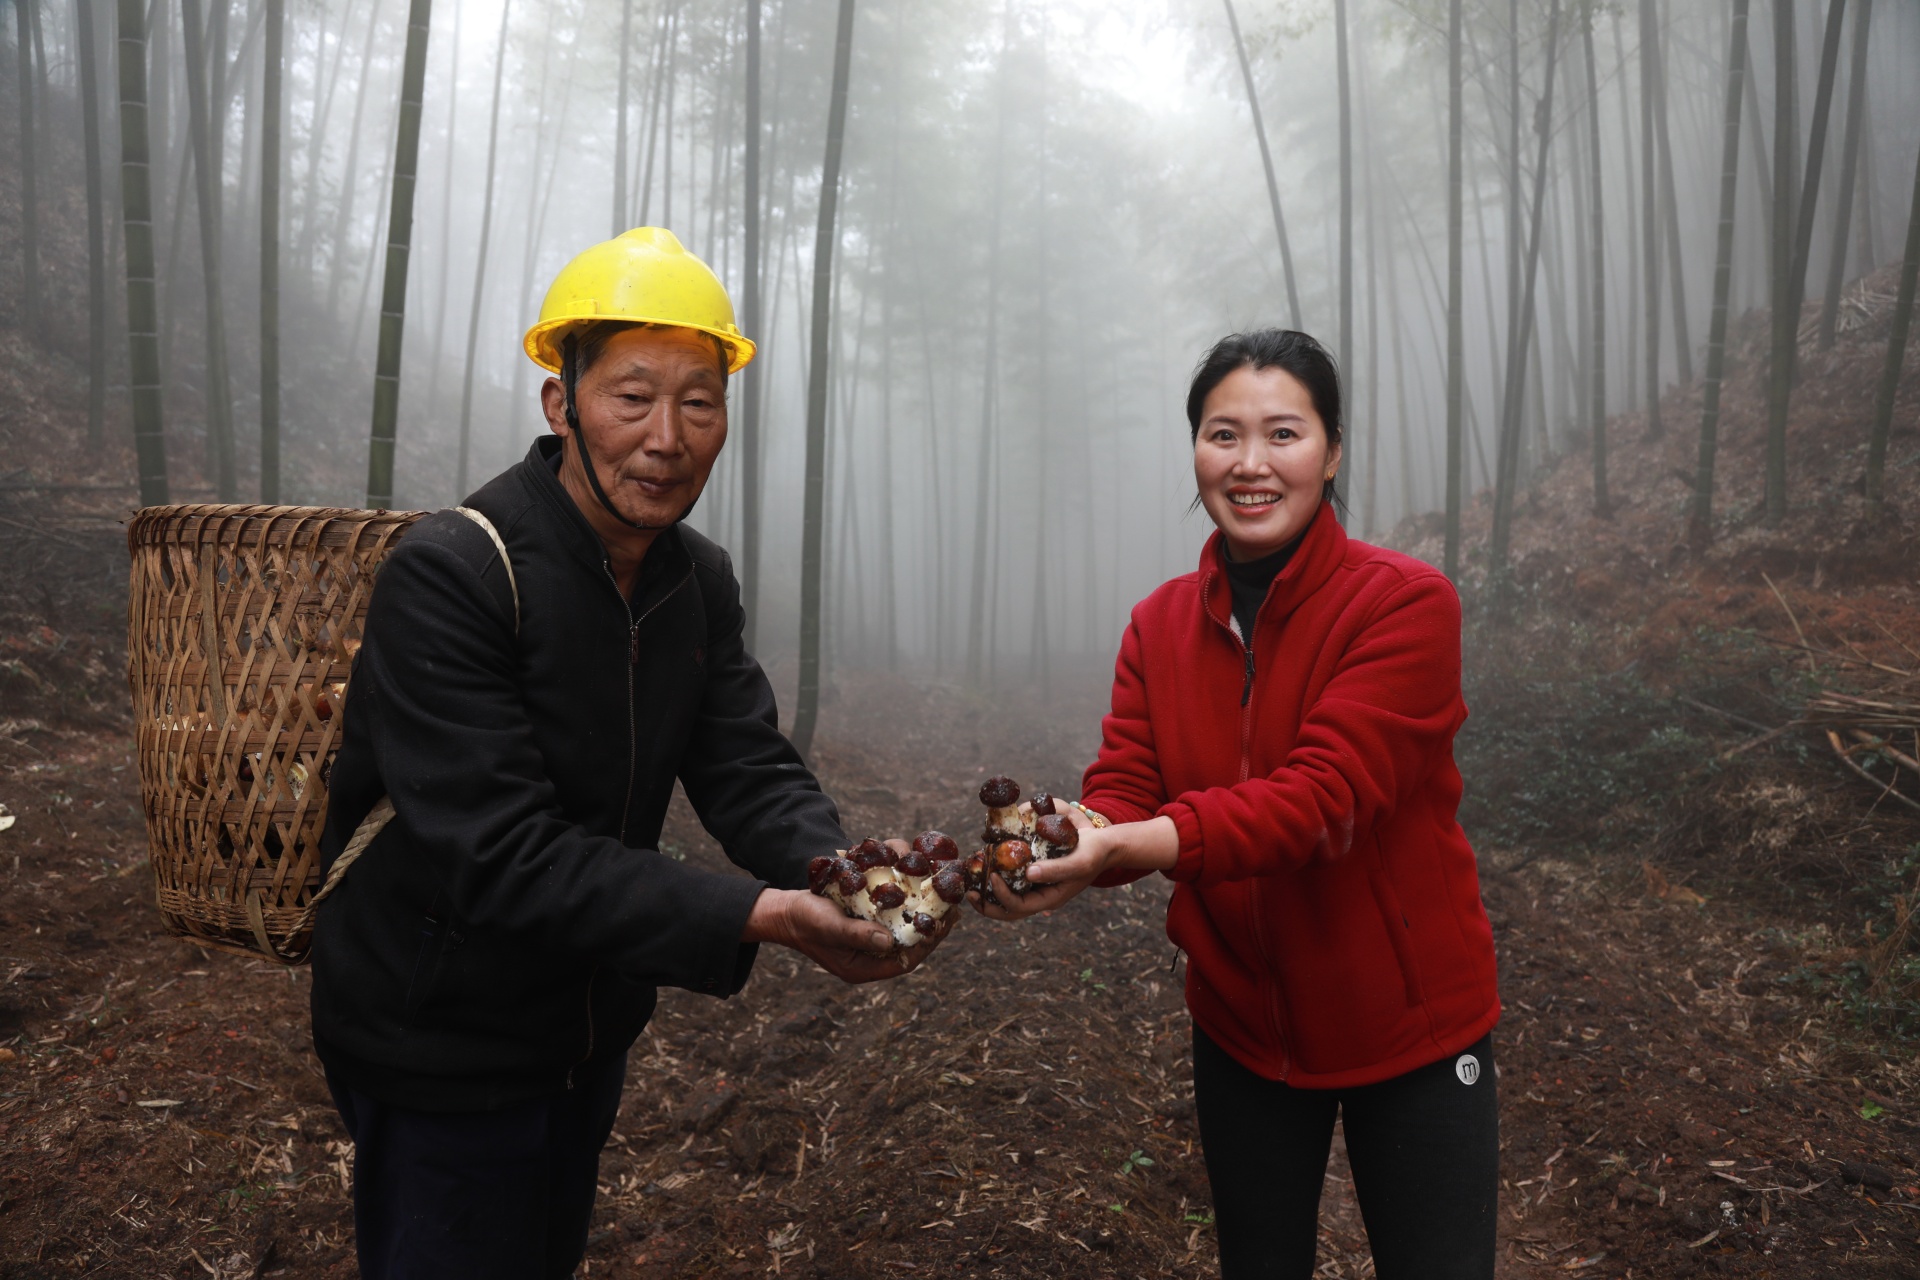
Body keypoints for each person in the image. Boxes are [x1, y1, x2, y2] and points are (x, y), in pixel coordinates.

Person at [311, 228, 946, 1280]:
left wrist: (841, 869)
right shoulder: (454, 572)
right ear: (560, 403)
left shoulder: (694, 577)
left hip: (581, 1026)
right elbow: (500, 850)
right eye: (632, 396)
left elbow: (745, 760)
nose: (667, 435)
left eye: (700, 401)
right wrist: (764, 913)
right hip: (435, 1034)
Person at [977, 329, 1501, 1278]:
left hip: (1412, 1028)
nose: (1251, 464)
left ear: (1333, 451)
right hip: (1243, 1027)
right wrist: (1069, 839)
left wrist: (1142, 844)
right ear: (1195, 451)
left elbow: (1324, 798)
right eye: (1223, 434)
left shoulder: (1406, 604)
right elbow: (1125, 783)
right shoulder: (1161, 622)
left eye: (1284, 434)